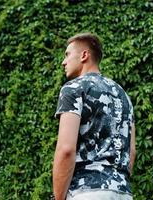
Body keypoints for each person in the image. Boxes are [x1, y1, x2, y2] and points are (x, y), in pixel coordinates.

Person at [53, 33, 136, 200]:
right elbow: (131, 152)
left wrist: (59, 197)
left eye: (68, 55)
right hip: (123, 192)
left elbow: (66, 149)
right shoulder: (123, 95)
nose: (63, 62)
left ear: (84, 55)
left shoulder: (73, 88)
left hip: (87, 192)